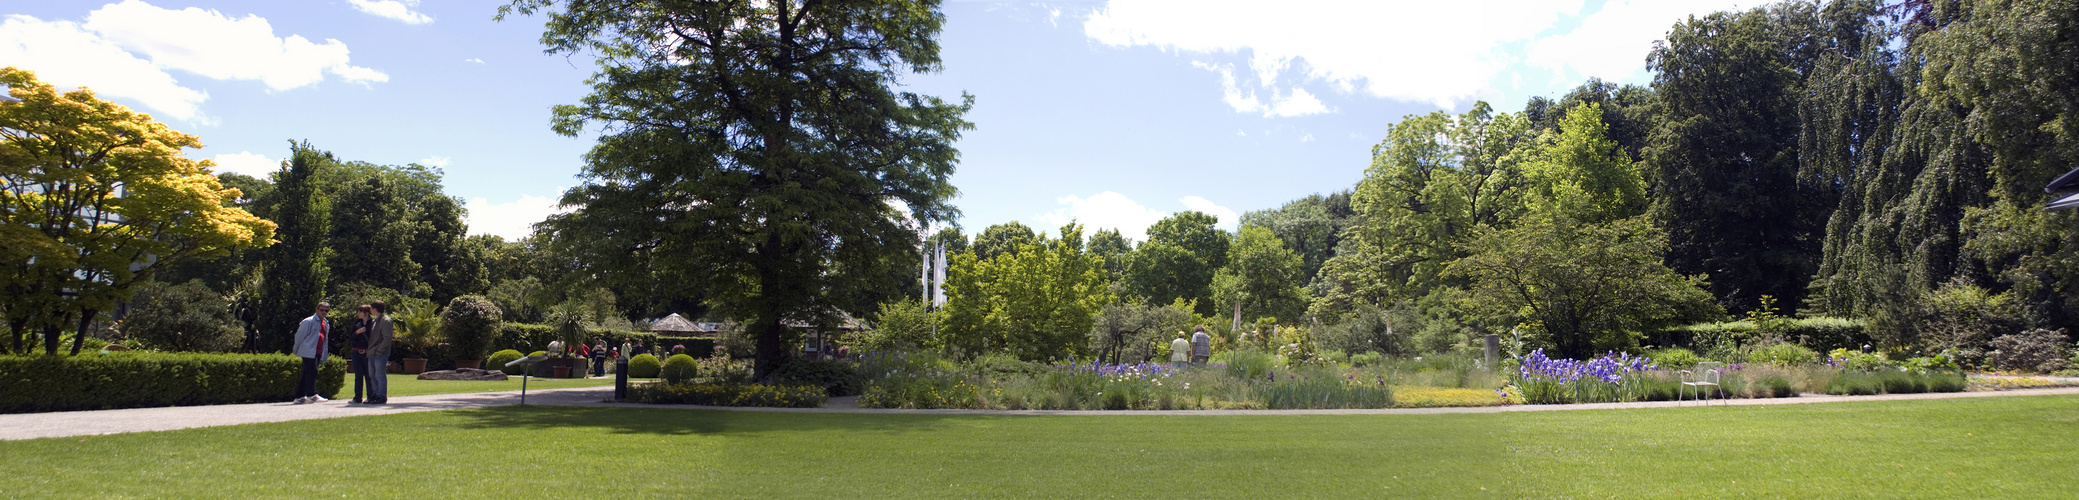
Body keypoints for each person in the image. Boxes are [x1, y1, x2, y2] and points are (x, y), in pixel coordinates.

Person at [292, 302, 331, 404]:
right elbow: (299, 336)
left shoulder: (325, 323)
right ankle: (312, 394)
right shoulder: (308, 321)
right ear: (317, 310)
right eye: (322, 310)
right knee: (313, 371)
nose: (324, 312)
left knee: (307, 373)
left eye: (326, 310)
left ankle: (299, 396)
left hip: (317, 351)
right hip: (308, 350)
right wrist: (296, 348)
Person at [365, 300, 394, 404]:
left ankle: (382, 395)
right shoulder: (375, 321)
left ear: (375, 309)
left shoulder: (386, 321)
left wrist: (379, 350)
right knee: (372, 375)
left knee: (379, 375)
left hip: (380, 353)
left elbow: (387, 338)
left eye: (371, 308)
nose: (370, 311)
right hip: (372, 352)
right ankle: (375, 394)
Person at [348, 305, 373, 404]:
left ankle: (370, 396)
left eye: (360, 312)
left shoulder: (372, 324)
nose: (358, 314)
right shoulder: (357, 323)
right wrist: (357, 332)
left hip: (367, 352)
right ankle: (357, 397)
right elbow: (350, 338)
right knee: (358, 375)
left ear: (366, 313)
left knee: (368, 375)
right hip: (356, 352)